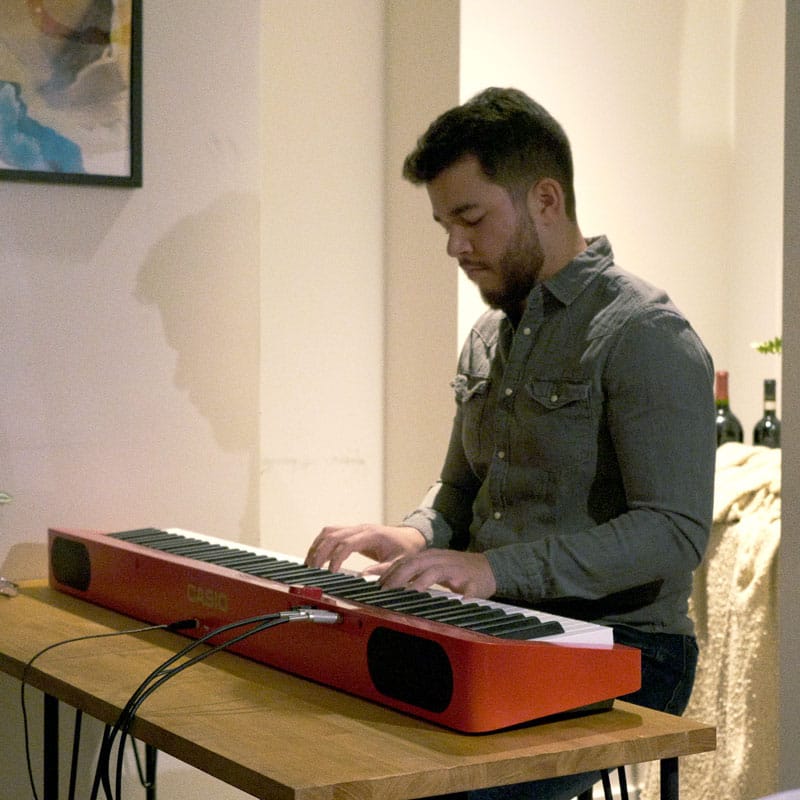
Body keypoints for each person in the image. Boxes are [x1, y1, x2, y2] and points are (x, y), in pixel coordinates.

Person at [306, 87, 716, 800]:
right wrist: (414, 535)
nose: (455, 246)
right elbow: (461, 490)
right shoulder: (488, 335)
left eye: (471, 219)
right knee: (329, 732)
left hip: (625, 646)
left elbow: (674, 532)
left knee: (434, 785)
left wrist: (494, 570)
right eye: (445, 224)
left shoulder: (645, 333)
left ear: (546, 200)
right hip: (503, 626)